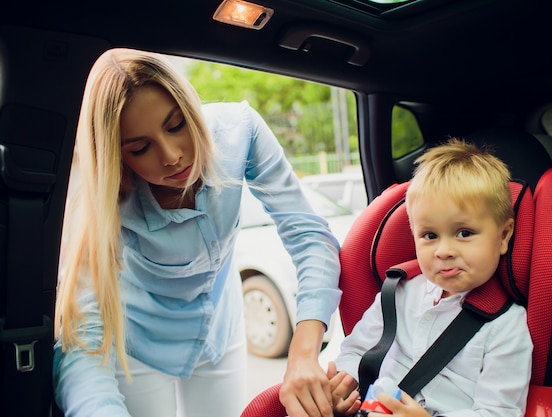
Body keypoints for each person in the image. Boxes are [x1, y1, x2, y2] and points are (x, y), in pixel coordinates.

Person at [53, 48, 342, 417]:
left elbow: (308, 235)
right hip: (139, 344)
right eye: (141, 148)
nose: (171, 155)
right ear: (118, 156)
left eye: (176, 126)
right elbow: (84, 338)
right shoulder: (105, 198)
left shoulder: (239, 131)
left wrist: (304, 354)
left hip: (221, 330)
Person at [326, 139, 533, 417]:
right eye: (430, 236)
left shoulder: (506, 327)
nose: (444, 251)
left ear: (504, 236)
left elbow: (499, 413)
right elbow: (356, 351)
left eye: (464, 233)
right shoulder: (398, 294)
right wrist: (344, 386)